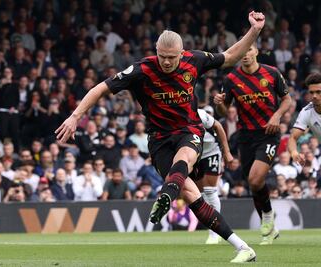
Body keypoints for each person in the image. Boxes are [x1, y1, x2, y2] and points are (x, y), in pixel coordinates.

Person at [56, 12, 266, 263]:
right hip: (158, 139)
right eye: (162, 56)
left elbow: (231, 56)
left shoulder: (195, 60)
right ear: (156, 51)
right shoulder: (141, 69)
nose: (166, 62)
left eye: (171, 57)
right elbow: (100, 88)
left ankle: (166, 194)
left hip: (189, 130)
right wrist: (75, 116)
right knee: (190, 196)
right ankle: (243, 247)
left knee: (185, 159)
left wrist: (254, 31)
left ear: (181, 52)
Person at [214, 43, 291, 245]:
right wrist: (220, 103)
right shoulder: (231, 79)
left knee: (256, 179)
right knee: (252, 183)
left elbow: (287, 100)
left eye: (249, 50)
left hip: (268, 133)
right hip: (245, 137)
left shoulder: (272, 73)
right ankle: (269, 230)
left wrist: (276, 116)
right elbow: (224, 111)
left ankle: (267, 217)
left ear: (256, 51)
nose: (246, 54)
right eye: (243, 51)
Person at [195, 108, 234, 244]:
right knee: (199, 194)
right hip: (194, 154)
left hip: (211, 151)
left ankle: (214, 233)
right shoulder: (175, 117)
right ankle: (212, 228)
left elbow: (218, 126)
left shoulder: (199, 113)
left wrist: (227, 152)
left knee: (210, 191)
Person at [289, 73, 321, 166]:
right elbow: (293, 138)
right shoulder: (306, 112)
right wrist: (294, 153)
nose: (314, 96)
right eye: (311, 92)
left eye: (319, 92)